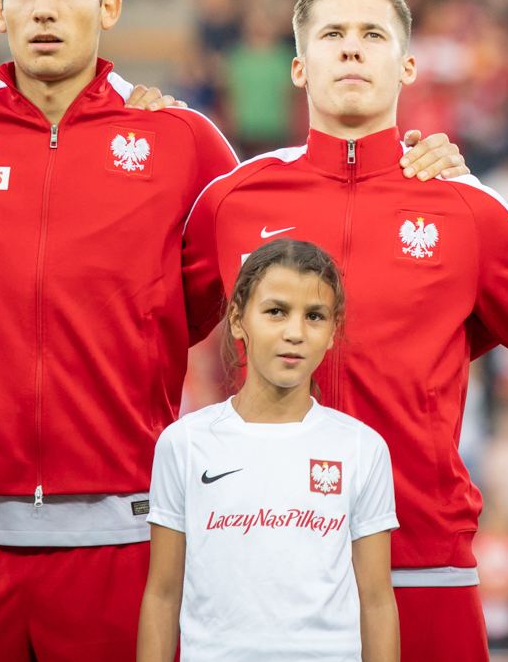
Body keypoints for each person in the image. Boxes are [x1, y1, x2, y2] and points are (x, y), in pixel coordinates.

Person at [0, 0, 459, 662]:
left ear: (109, 4)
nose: (44, 8)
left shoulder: (180, 139)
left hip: (124, 533)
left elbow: (284, 243)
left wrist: (413, 171)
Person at [189, 0, 508, 662]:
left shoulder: (468, 211)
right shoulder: (232, 201)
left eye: (372, 34)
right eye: (332, 34)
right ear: (299, 67)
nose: (352, 49)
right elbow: (143, 334)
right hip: (258, 560)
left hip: (422, 562)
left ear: (408, 65)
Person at [137, 238, 399, 662]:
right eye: (276, 311)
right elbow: (163, 595)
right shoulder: (184, 444)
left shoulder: (361, 448)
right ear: (238, 319)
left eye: (314, 316)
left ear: (333, 331)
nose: (295, 333)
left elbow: (377, 601)